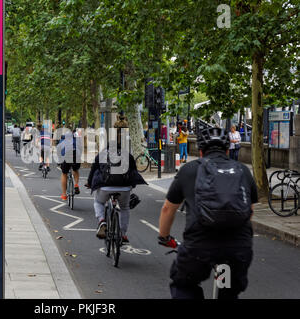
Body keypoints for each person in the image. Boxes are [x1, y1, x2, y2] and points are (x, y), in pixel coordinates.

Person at [157, 127, 258, 299]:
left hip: (199, 247)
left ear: (201, 152)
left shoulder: (189, 170)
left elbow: (168, 208)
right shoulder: (242, 170)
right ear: (227, 151)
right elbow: (250, 211)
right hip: (237, 248)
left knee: (184, 285)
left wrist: (164, 237)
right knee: (228, 292)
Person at [85, 125, 147, 244]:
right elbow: (133, 172)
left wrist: (89, 183)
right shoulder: (127, 155)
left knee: (98, 202)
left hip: (105, 187)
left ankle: (102, 220)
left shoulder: (102, 155)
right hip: (124, 188)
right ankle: (123, 234)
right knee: (124, 207)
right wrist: (132, 187)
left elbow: (93, 170)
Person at [57, 129, 82, 200]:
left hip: (66, 157)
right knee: (75, 169)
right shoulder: (76, 141)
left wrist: (59, 161)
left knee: (64, 173)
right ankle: (76, 184)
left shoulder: (63, 141)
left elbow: (59, 151)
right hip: (76, 156)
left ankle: (64, 194)